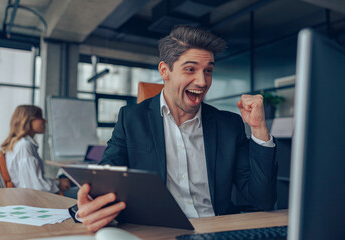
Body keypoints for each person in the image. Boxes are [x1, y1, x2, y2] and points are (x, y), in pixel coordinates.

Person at [75, 25, 277, 232]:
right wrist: (88, 206)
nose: (202, 81)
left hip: (217, 231)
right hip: (158, 233)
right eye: (190, 69)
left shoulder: (229, 125)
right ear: (165, 71)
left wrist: (259, 128)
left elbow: (262, 200)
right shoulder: (131, 119)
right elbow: (106, 179)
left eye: (208, 71)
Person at [0, 105, 71, 195]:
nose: (45, 121)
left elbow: (30, 180)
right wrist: (58, 184)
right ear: (29, 120)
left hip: (27, 196)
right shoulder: (24, 145)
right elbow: (35, 187)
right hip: (33, 198)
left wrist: (54, 181)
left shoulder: (19, 144)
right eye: (40, 117)